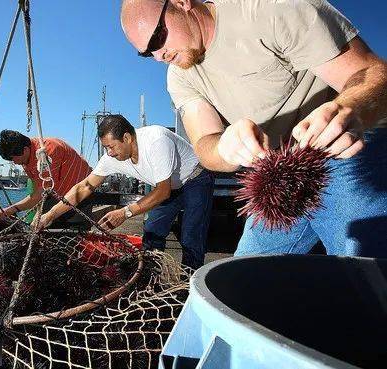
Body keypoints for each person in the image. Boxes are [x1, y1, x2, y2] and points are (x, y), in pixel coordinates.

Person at [120, 0, 387, 257]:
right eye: (146, 53)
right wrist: (224, 147)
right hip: (276, 173)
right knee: (241, 280)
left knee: (366, 266)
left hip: (344, 148)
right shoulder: (179, 75)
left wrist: (348, 108)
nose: (158, 56)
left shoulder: (274, 9)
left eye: (157, 38)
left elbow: (372, 73)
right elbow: (205, 144)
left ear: (181, 2)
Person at [37, 115, 214, 269]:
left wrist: (125, 212)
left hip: (196, 179)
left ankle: (189, 286)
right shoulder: (111, 157)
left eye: (111, 147)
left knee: (191, 236)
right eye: (106, 147)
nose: (109, 153)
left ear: (127, 137)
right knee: (152, 229)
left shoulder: (156, 141)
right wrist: (50, 215)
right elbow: (84, 187)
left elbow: (162, 191)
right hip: (170, 186)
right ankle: (150, 274)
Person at [0, 130, 93, 229]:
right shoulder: (25, 160)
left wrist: (10, 210)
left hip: (81, 192)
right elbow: (38, 192)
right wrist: (38, 213)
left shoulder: (47, 153)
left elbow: (40, 193)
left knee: (75, 232)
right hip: (58, 193)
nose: (13, 162)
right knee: (39, 227)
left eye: (12, 158)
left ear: (25, 150)